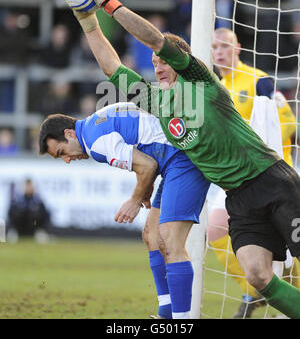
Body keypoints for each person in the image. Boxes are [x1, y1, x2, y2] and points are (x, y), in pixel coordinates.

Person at [72, 0, 300, 319]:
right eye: (153, 63)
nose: (158, 65)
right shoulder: (155, 101)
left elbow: (155, 40)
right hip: (238, 197)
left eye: (164, 61)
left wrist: (110, 4)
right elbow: (112, 67)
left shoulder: (201, 82)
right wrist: (87, 21)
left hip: (271, 180)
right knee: (257, 273)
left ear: (182, 62)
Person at [39, 102, 210, 320]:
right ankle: (166, 313)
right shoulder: (96, 119)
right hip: (173, 159)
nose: (67, 160)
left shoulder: (95, 143)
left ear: (69, 133)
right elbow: (147, 135)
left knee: (170, 241)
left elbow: (147, 165)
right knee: (152, 235)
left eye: (63, 152)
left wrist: (135, 200)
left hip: (184, 158)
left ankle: (182, 320)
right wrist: (146, 186)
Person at [210, 27, 300, 318]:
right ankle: (254, 291)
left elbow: (287, 124)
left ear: (237, 49)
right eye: (214, 47)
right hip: (237, 183)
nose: (218, 52)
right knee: (214, 228)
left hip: (273, 176)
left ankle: (288, 300)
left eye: (224, 46)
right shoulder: (215, 90)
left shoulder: (258, 80)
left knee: (291, 249)